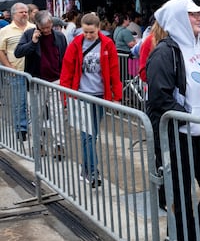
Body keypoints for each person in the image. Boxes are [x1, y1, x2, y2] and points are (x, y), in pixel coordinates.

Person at [146, 0, 200, 241]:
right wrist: (188, 117)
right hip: (180, 137)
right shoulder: (164, 53)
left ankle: (194, 238)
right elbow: (159, 97)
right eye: (193, 14)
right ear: (178, 18)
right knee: (181, 198)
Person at [60, 12, 122, 187]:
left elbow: (114, 72)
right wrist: (66, 99)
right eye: (85, 32)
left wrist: (116, 97)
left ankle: (86, 168)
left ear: (98, 29)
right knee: (88, 135)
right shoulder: (75, 44)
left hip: (100, 96)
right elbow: (67, 72)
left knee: (91, 135)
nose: (87, 35)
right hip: (81, 96)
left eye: (91, 32)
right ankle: (93, 172)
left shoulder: (108, 44)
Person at [15, 10, 67, 158]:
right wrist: (33, 42)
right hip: (36, 81)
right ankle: (38, 145)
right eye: (43, 28)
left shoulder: (59, 36)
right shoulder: (29, 34)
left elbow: (65, 57)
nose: (46, 30)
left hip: (56, 81)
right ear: (37, 25)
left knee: (57, 115)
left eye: (49, 26)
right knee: (37, 115)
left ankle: (59, 146)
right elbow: (18, 52)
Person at [0, 2, 35, 140]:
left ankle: (35, 128)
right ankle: (21, 129)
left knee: (34, 102)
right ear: (14, 14)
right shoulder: (5, 31)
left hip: (33, 71)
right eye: (21, 12)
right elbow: (1, 50)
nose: (24, 14)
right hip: (17, 72)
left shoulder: (33, 28)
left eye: (26, 11)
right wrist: (8, 66)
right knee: (19, 102)